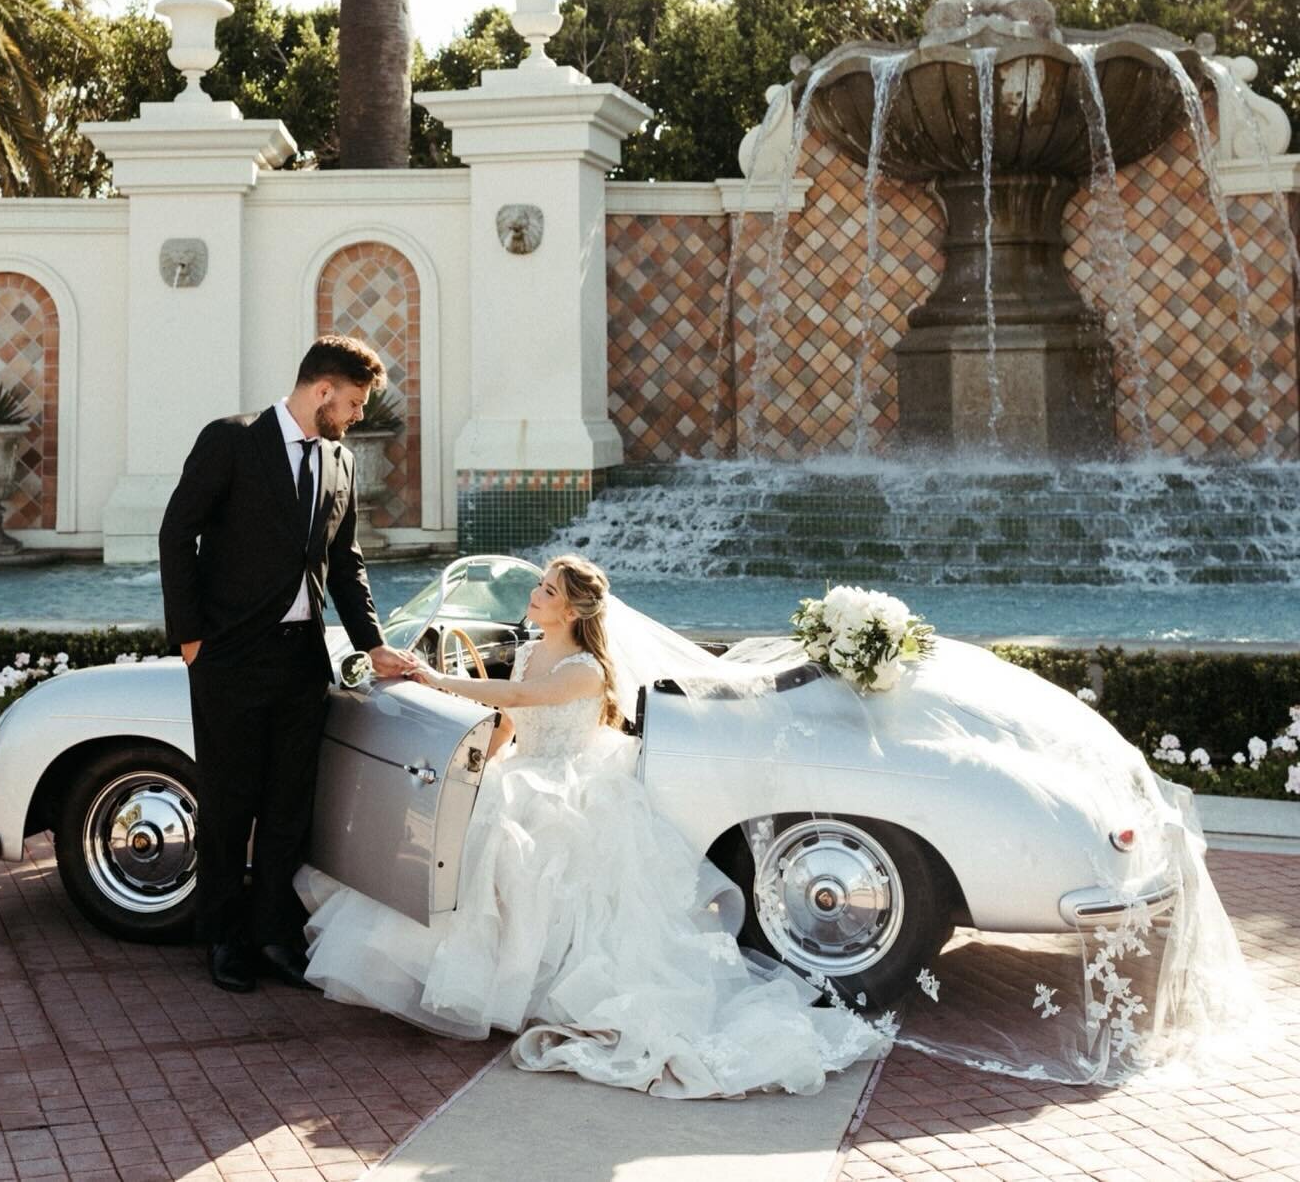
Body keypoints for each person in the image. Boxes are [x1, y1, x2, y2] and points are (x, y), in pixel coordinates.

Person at [296, 554, 887, 1098]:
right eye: (539, 585)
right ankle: (492, 981)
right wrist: (480, 759)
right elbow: (508, 719)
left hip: (572, 782)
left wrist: (437, 680)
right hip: (523, 769)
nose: (535, 594)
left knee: (533, 859)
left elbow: (525, 694)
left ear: (574, 610)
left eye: (547, 590)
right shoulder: (529, 648)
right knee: (474, 844)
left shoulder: (584, 670)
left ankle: (539, 992)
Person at [159, 334, 413, 994]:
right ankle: (221, 936)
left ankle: (274, 934)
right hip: (229, 658)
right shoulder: (231, 439)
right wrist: (190, 637)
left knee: (288, 806)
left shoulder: (341, 462)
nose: (358, 416)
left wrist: (371, 641)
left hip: (303, 662)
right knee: (229, 802)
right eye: (354, 403)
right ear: (322, 390)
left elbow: (346, 560)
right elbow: (175, 530)